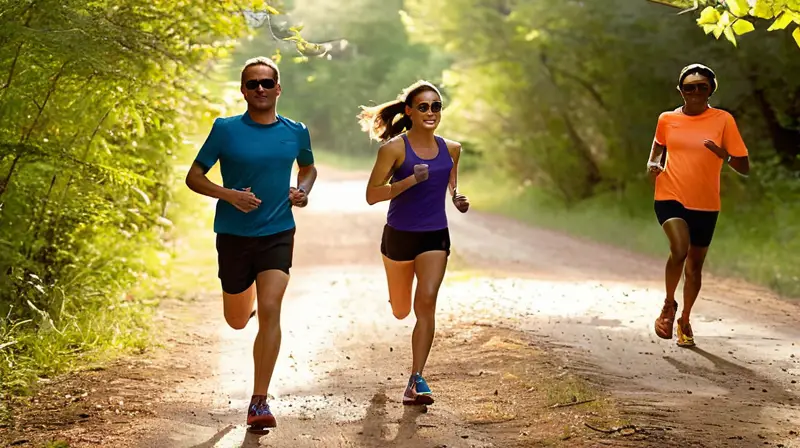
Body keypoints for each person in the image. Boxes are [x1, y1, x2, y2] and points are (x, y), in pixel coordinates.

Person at [184, 56, 317, 429]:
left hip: (277, 233)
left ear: (279, 88)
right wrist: (229, 195)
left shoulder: (296, 130)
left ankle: (259, 401)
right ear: (243, 90)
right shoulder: (225, 129)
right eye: (252, 83)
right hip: (233, 235)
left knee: (272, 306)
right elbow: (194, 177)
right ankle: (248, 303)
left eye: (266, 82)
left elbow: (308, 167)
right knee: (238, 320)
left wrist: (302, 190)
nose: (260, 89)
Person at [357, 80, 469, 406]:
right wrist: (410, 180)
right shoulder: (393, 149)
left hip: (435, 235)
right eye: (424, 106)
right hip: (399, 236)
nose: (431, 112)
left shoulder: (452, 149)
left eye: (436, 106)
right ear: (410, 111)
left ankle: (416, 379)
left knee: (428, 301)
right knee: (401, 309)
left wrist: (457, 198)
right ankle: (396, 303)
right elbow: (372, 195)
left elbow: (450, 184)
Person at [647, 63, 750, 347]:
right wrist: (653, 162)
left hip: (706, 203)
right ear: (680, 91)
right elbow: (658, 144)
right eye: (689, 87)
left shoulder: (723, 120)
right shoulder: (667, 118)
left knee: (694, 267)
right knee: (679, 249)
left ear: (710, 90)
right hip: (669, 194)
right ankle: (669, 306)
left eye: (701, 87)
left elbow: (745, 166)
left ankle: (685, 320)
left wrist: (724, 155)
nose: (694, 92)